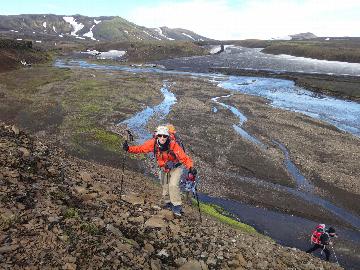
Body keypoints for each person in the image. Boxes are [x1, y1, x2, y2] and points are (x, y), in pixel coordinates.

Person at [122, 125, 197, 217]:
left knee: (173, 185)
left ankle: (177, 206)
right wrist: (129, 149)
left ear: (168, 136)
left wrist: (191, 167)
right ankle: (168, 203)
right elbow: (141, 149)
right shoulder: (153, 143)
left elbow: (184, 158)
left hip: (176, 167)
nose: (162, 138)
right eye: (160, 135)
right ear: (157, 136)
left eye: (164, 136)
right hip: (164, 168)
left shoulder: (173, 144)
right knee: (165, 186)